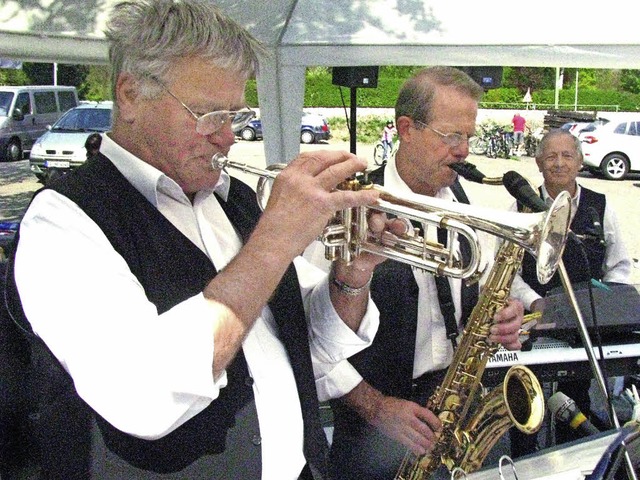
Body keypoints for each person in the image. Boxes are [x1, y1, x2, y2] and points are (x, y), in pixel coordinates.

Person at [3, 1, 402, 478]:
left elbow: (311, 349)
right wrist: (276, 238)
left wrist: (353, 274)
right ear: (130, 95)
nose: (229, 138)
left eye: (235, 115)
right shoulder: (63, 217)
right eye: (211, 114)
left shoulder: (230, 201)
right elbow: (143, 397)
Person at [324, 66, 526, 480]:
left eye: (469, 137)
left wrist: (506, 311)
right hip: (374, 432)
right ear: (407, 129)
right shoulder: (350, 204)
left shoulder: (462, 200)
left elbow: (486, 282)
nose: (464, 150)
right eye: (452, 136)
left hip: (454, 415)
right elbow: (308, 334)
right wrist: (376, 407)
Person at [510, 128, 631, 453]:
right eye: (551, 156)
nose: (559, 163)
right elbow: (506, 272)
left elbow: (619, 267)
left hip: (583, 330)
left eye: (567, 155)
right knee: (525, 410)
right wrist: (533, 300)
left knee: (575, 407)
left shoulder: (602, 207)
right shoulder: (518, 208)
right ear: (538, 163)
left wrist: (606, 308)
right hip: (535, 327)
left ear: (580, 161)